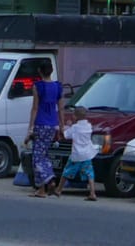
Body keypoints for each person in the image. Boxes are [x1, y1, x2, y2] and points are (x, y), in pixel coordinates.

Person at [28, 57, 64, 197]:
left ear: (39, 71)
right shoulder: (58, 87)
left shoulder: (38, 86)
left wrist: (30, 127)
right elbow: (61, 108)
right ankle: (41, 189)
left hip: (41, 124)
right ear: (51, 71)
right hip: (52, 125)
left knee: (37, 157)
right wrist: (61, 126)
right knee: (44, 155)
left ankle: (48, 180)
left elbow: (35, 108)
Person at [62, 106, 100, 200]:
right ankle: (92, 193)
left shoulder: (75, 127)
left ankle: (58, 189)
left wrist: (66, 127)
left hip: (76, 155)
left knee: (66, 172)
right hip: (87, 154)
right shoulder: (89, 126)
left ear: (75, 116)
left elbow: (66, 135)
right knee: (90, 173)